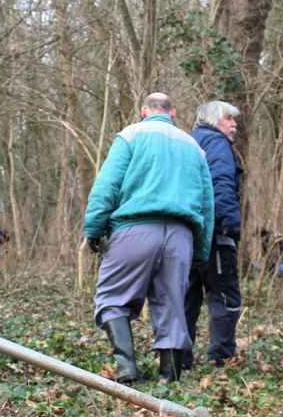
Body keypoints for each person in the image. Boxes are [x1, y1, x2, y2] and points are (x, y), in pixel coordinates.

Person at [83, 93, 214, 383]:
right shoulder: (193, 147)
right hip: (180, 235)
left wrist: (94, 228)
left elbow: (107, 185)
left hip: (134, 229)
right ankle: (170, 376)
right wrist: (201, 249)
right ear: (173, 113)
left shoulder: (131, 135)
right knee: (172, 305)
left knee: (112, 297)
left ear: (144, 111)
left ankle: (127, 368)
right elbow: (207, 204)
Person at [183, 101, 243, 369]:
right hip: (215, 234)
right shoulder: (216, 143)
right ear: (215, 120)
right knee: (224, 296)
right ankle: (221, 357)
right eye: (229, 118)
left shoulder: (186, 141)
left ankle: (179, 358)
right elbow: (220, 181)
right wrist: (230, 222)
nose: (234, 124)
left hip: (185, 234)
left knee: (186, 298)